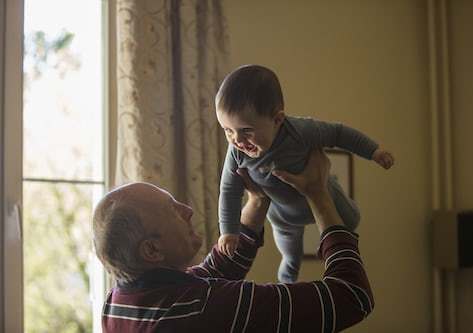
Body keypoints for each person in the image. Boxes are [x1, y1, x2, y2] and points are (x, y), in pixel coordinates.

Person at [93, 149, 374, 332]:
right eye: (174, 211)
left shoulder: (118, 303)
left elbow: (210, 273)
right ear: (152, 249)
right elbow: (351, 296)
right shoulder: (206, 308)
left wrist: (257, 201)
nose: (188, 211)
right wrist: (319, 196)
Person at [216, 64, 394, 282]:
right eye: (227, 130)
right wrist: (229, 231)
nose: (237, 140)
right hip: (283, 216)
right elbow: (229, 190)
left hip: (324, 192)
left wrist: (373, 151)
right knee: (291, 254)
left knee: (352, 220)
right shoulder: (236, 152)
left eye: (246, 131)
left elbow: (339, 134)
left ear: (277, 120)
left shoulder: (300, 132)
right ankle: (288, 281)